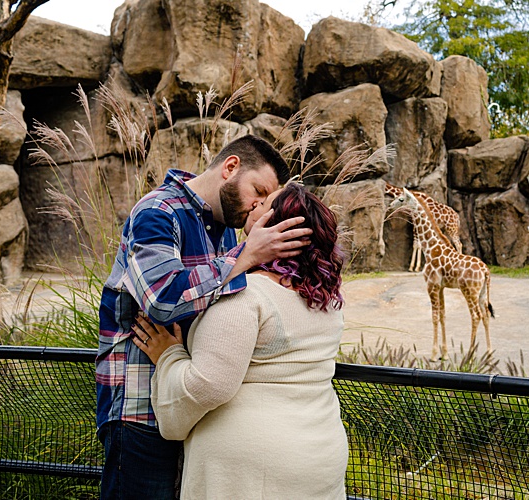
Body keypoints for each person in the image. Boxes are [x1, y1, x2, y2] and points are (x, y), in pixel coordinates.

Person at [95, 135, 311, 499]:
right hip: (139, 409)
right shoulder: (157, 212)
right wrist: (244, 257)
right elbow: (162, 300)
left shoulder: (226, 232)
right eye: (258, 190)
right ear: (230, 168)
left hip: (186, 407)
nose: (259, 205)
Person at [131, 182, 349, 499]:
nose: (255, 204)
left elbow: (208, 385)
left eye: (265, 204)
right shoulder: (326, 301)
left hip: (253, 472)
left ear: (279, 228)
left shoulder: (245, 294)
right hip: (319, 454)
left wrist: (169, 356)